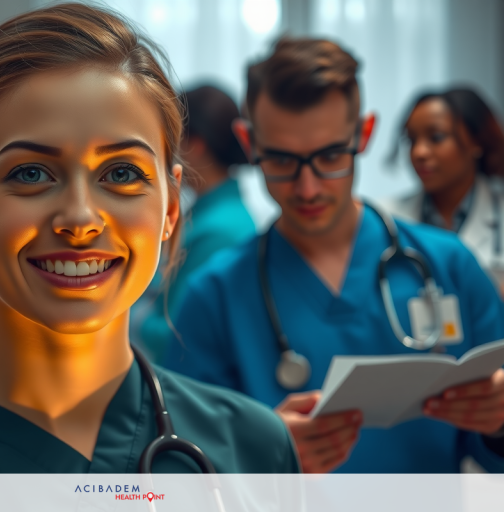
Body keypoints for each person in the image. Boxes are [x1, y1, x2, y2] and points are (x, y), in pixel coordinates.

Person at [0, 3, 299, 474]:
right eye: (31, 173)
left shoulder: (256, 452)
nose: (79, 219)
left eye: (121, 173)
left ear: (170, 208)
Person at [165, 38, 504, 473]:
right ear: (248, 143)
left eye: (329, 156)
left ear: (363, 135)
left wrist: (498, 421)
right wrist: (260, 456)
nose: (307, 188)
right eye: (281, 160)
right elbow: (178, 469)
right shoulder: (213, 297)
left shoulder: (449, 266)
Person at [133, 85, 255, 361]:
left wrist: (119, 316)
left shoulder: (219, 232)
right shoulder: (211, 218)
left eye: (170, 141)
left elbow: (176, 333)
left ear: (196, 145)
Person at [383, 88, 504, 296]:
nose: (419, 152)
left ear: (476, 141)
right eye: (411, 140)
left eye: (436, 137)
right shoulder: (386, 218)